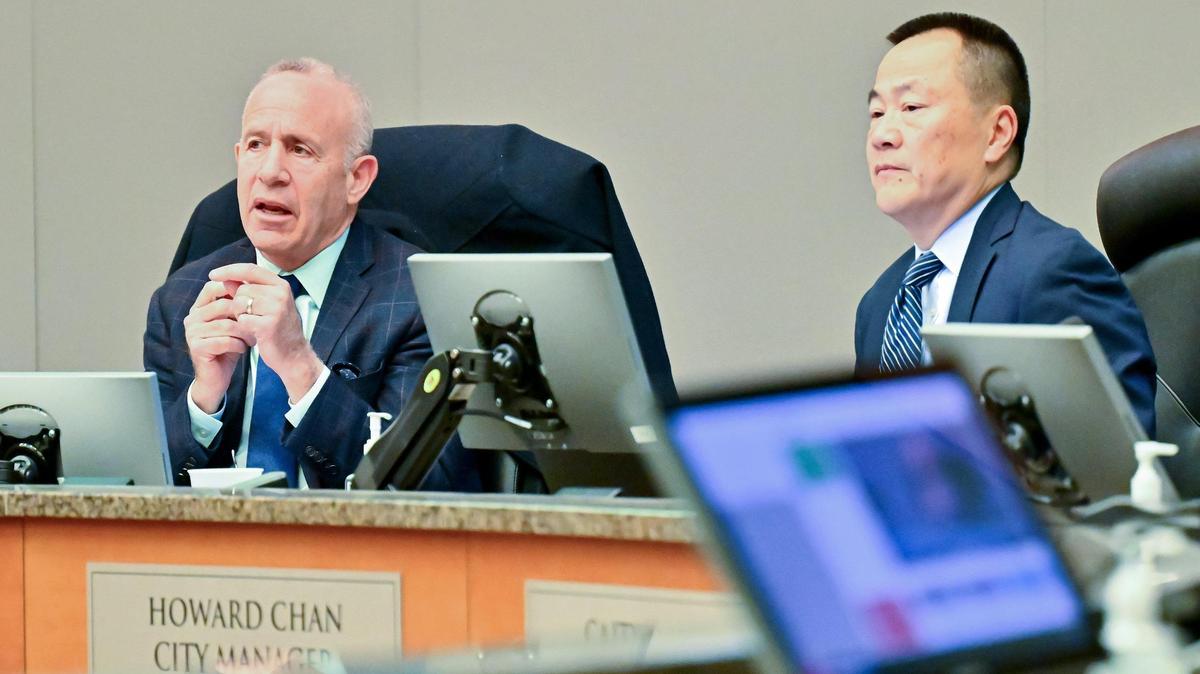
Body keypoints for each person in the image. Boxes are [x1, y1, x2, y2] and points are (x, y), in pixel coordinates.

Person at [144, 58, 479, 490]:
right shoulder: (181, 298)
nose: (269, 173)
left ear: (356, 179)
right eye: (255, 145)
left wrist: (301, 369)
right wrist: (204, 401)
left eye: (300, 149)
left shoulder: (420, 299)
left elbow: (430, 487)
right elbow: (148, 487)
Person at [854, 13, 1158, 436]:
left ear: (997, 133)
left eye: (911, 107)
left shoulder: (1051, 269)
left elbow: (1116, 472)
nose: (881, 135)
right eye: (875, 112)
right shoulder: (881, 304)